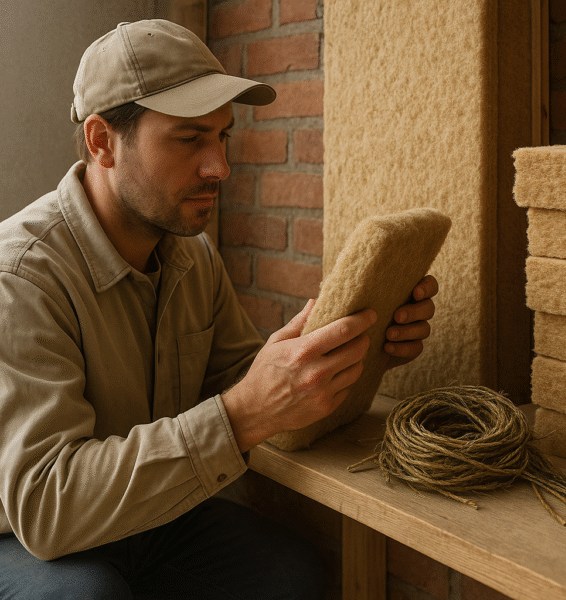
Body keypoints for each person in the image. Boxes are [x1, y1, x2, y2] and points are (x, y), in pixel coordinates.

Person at [0, 19, 438, 600]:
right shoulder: (20, 276)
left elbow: (240, 384)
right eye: (189, 139)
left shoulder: (192, 255)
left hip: (146, 520)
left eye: (222, 136)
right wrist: (243, 414)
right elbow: (46, 507)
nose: (219, 167)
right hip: (21, 536)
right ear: (102, 141)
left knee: (290, 575)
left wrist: (355, 352)